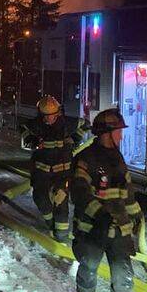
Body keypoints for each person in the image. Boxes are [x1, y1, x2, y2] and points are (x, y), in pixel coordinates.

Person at [71, 108, 147, 292]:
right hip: (94, 228)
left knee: (124, 275)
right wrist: (100, 215)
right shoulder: (86, 159)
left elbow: (127, 193)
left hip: (118, 229)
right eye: (118, 131)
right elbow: (80, 193)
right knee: (89, 269)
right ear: (106, 133)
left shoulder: (118, 159)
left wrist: (136, 218)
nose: (122, 136)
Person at [21, 95, 91, 244]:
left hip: (62, 172)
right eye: (45, 116)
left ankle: (61, 235)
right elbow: (23, 129)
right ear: (40, 114)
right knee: (40, 198)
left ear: (58, 113)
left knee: (61, 199)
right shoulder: (36, 125)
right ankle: (50, 223)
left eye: (52, 115)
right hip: (41, 171)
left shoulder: (67, 123)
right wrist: (32, 141)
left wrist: (75, 140)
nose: (49, 119)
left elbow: (85, 124)